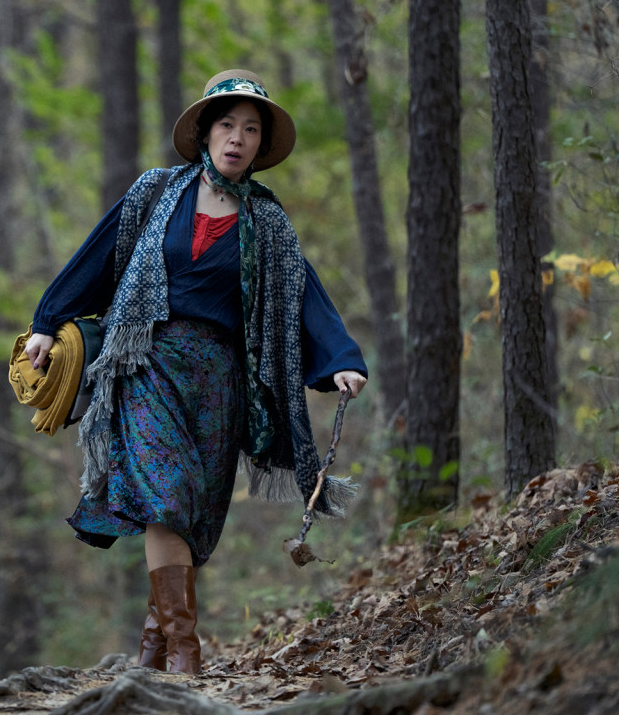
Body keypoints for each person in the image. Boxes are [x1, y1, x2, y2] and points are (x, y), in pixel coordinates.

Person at [23, 70, 368, 675]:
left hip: (219, 381)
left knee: (196, 514)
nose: (237, 138)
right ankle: (187, 654)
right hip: (146, 363)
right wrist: (48, 322)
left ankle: (152, 654)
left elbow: (304, 295)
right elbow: (96, 256)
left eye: (251, 129)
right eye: (227, 125)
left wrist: (340, 360)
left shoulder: (268, 222)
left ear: (261, 145)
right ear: (205, 133)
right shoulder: (156, 192)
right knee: (167, 497)